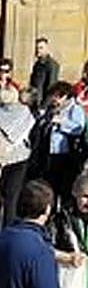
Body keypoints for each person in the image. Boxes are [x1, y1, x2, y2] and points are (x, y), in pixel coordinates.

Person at [29, 81, 88, 207]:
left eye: (57, 96)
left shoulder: (74, 109)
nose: (54, 99)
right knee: (48, 186)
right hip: (47, 154)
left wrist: (61, 123)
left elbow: (78, 128)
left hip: (65, 155)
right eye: (53, 96)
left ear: (66, 96)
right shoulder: (51, 109)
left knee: (64, 188)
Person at [0, 85, 35, 226]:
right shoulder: (24, 112)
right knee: (11, 198)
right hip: (16, 159)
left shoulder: (23, 112)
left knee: (9, 198)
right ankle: (9, 230)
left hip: (13, 160)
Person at [28, 38, 60, 104]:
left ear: (47, 49)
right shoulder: (37, 64)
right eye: (36, 48)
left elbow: (51, 87)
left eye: (41, 48)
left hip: (43, 104)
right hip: (34, 101)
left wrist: (44, 106)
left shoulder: (52, 65)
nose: (38, 50)